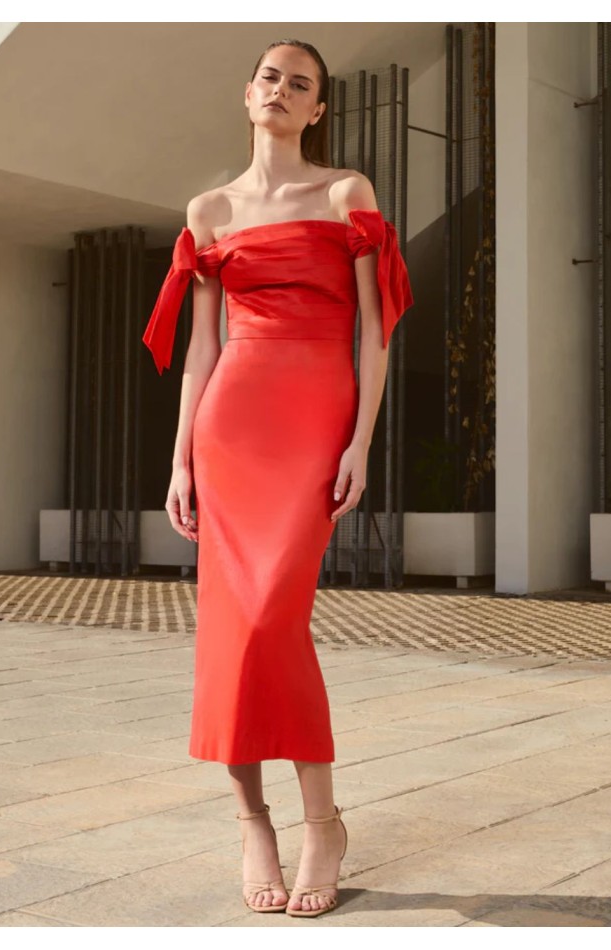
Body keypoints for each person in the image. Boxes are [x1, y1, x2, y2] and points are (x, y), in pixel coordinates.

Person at [143, 38, 414, 918]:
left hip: (312, 422)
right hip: (231, 425)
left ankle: (322, 822)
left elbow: (374, 333)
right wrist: (181, 456)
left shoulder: (346, 193)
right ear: (247, 92)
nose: (282, 91)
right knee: (230, 629)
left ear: (318, 109)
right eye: (271, 78)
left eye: (302, 85)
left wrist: (359, 443)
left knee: (273, 617)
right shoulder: (210, 208)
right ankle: (256, 821)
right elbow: (203, 344)